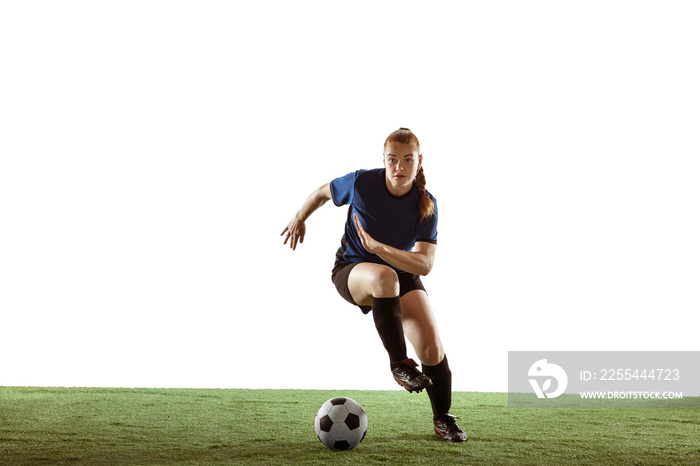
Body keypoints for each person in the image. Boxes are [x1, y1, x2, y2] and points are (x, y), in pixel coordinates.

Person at [281, 128, 467, 442]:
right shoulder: (362, 183)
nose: (399, 167)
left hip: (400, 272)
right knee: (384, 277)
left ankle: (443, 418)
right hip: (354, 270)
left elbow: (425, 264)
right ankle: (399, 363)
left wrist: (381, 249)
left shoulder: (426, 204)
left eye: (408, 160)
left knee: (431, 346)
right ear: (383, 160)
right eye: (392, 159)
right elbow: (323, 193)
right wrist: (301, 215)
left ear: (419, 162)